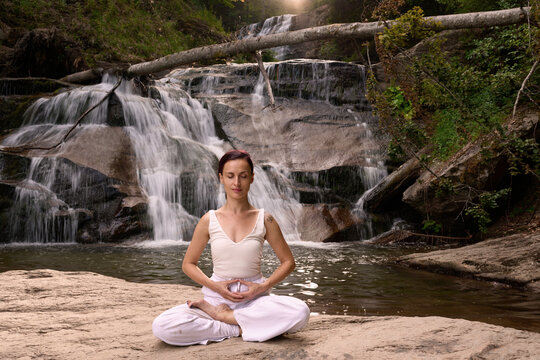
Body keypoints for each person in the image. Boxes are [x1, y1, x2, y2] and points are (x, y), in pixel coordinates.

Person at [152, 149, 310, 346]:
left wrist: (262, 286)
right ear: (221, 178)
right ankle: (241, 326)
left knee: (301, 311)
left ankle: (229, 320)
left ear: (252, 178)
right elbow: (188, 264)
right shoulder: (209, 220)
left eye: (243, 176)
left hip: (255, 302)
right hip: (216, 300)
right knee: (162, 326)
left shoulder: (265, 219)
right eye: (230, 176)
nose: (237, 183)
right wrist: (214, 286)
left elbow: (288, 262)